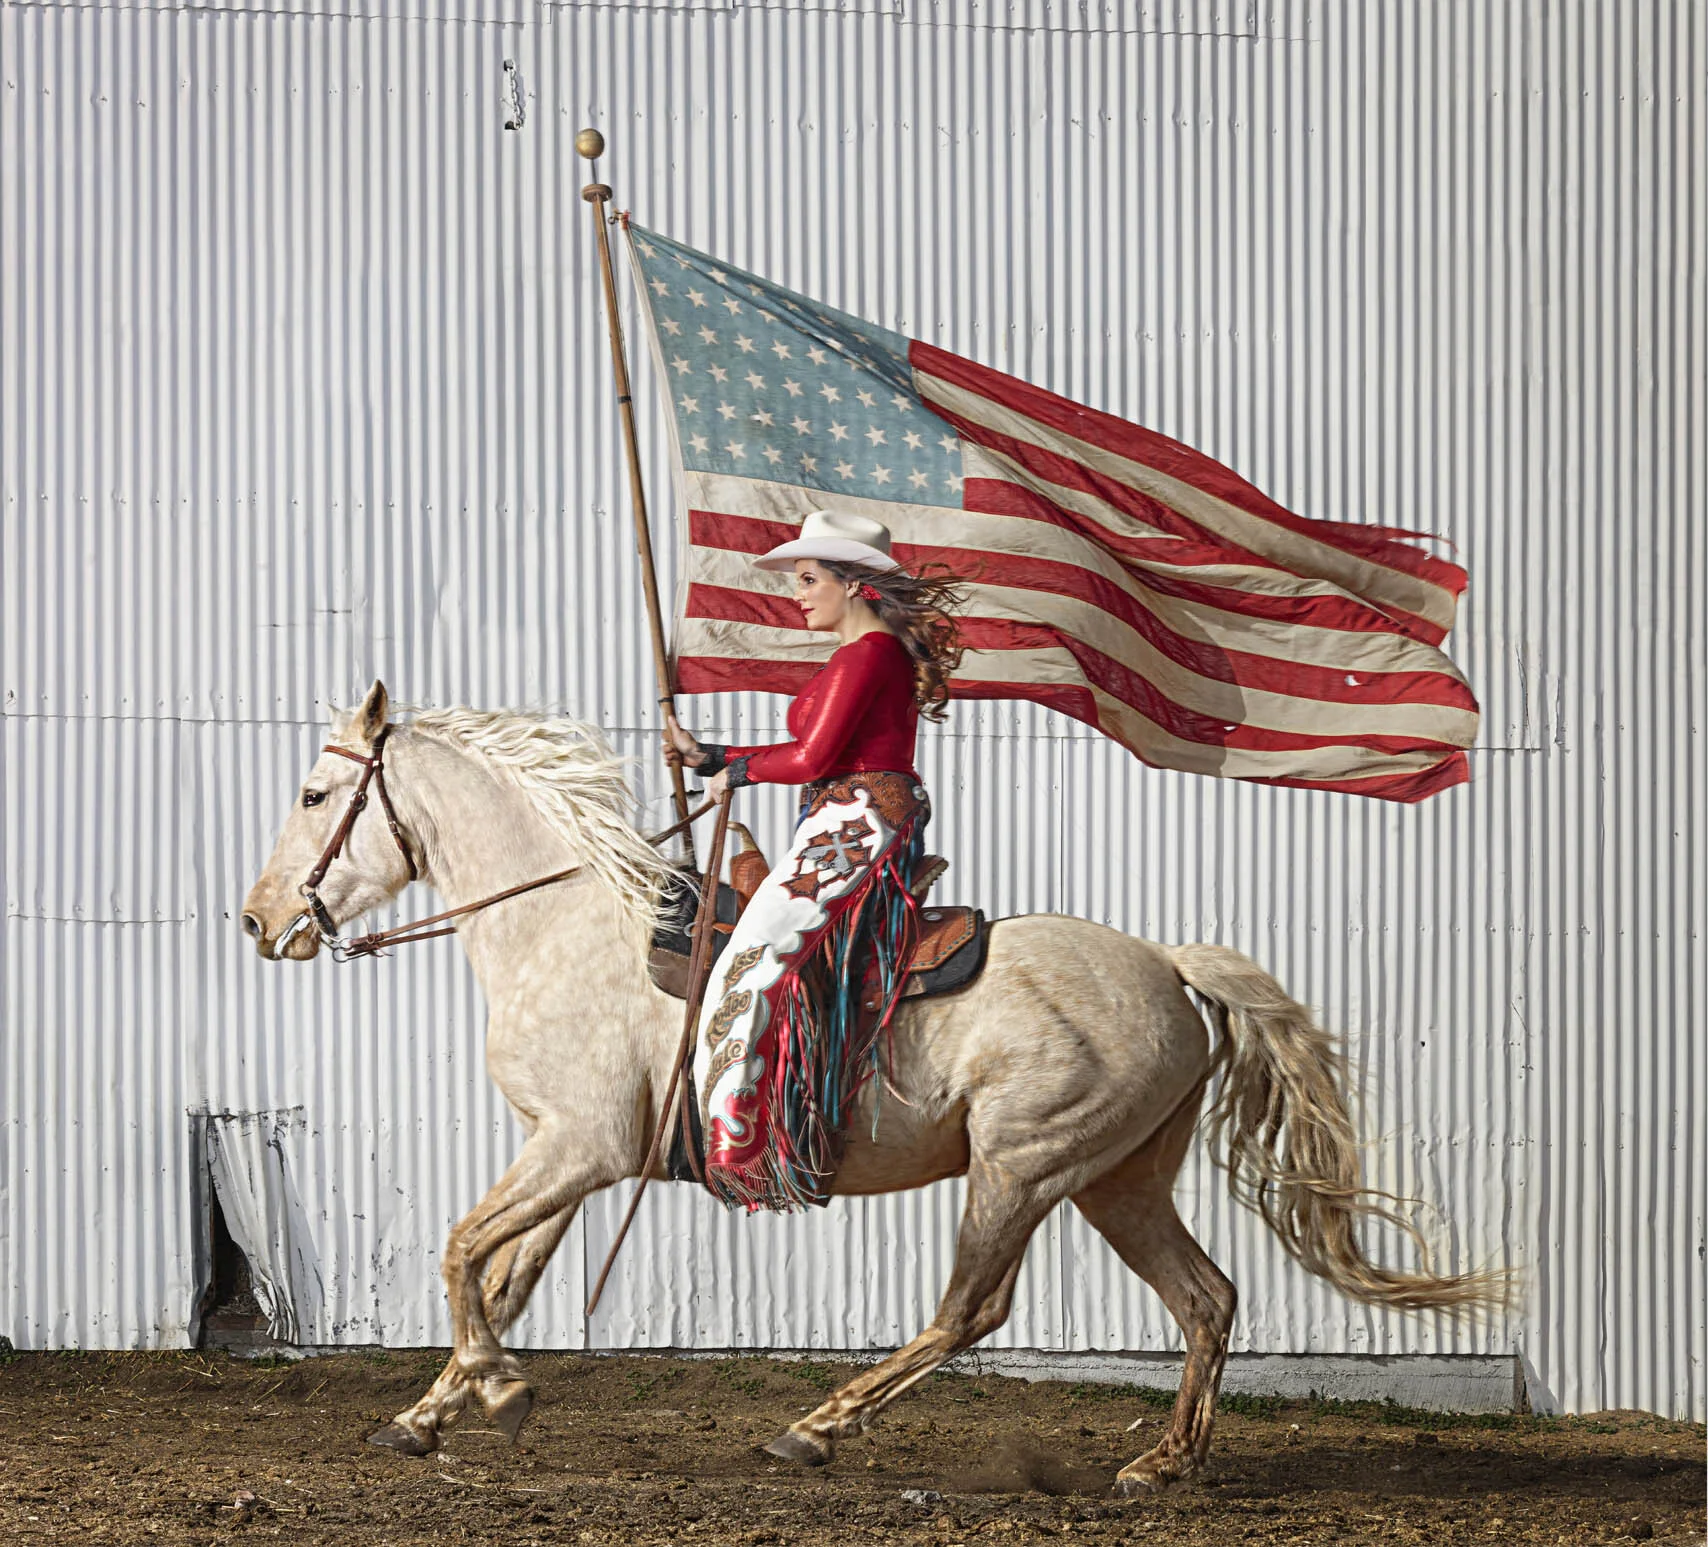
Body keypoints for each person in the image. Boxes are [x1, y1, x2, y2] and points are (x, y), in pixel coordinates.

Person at [664, 509, 965, 1212]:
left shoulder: (869, 655)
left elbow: (813, 758)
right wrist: (713, 758)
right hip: (843, 812)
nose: (798, 593)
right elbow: (810, 758)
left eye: (808, 578)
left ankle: (742, 1139)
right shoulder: (858, 656)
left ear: (855, 584)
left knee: (759, 952)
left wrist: (735, 771)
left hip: (859, 815)